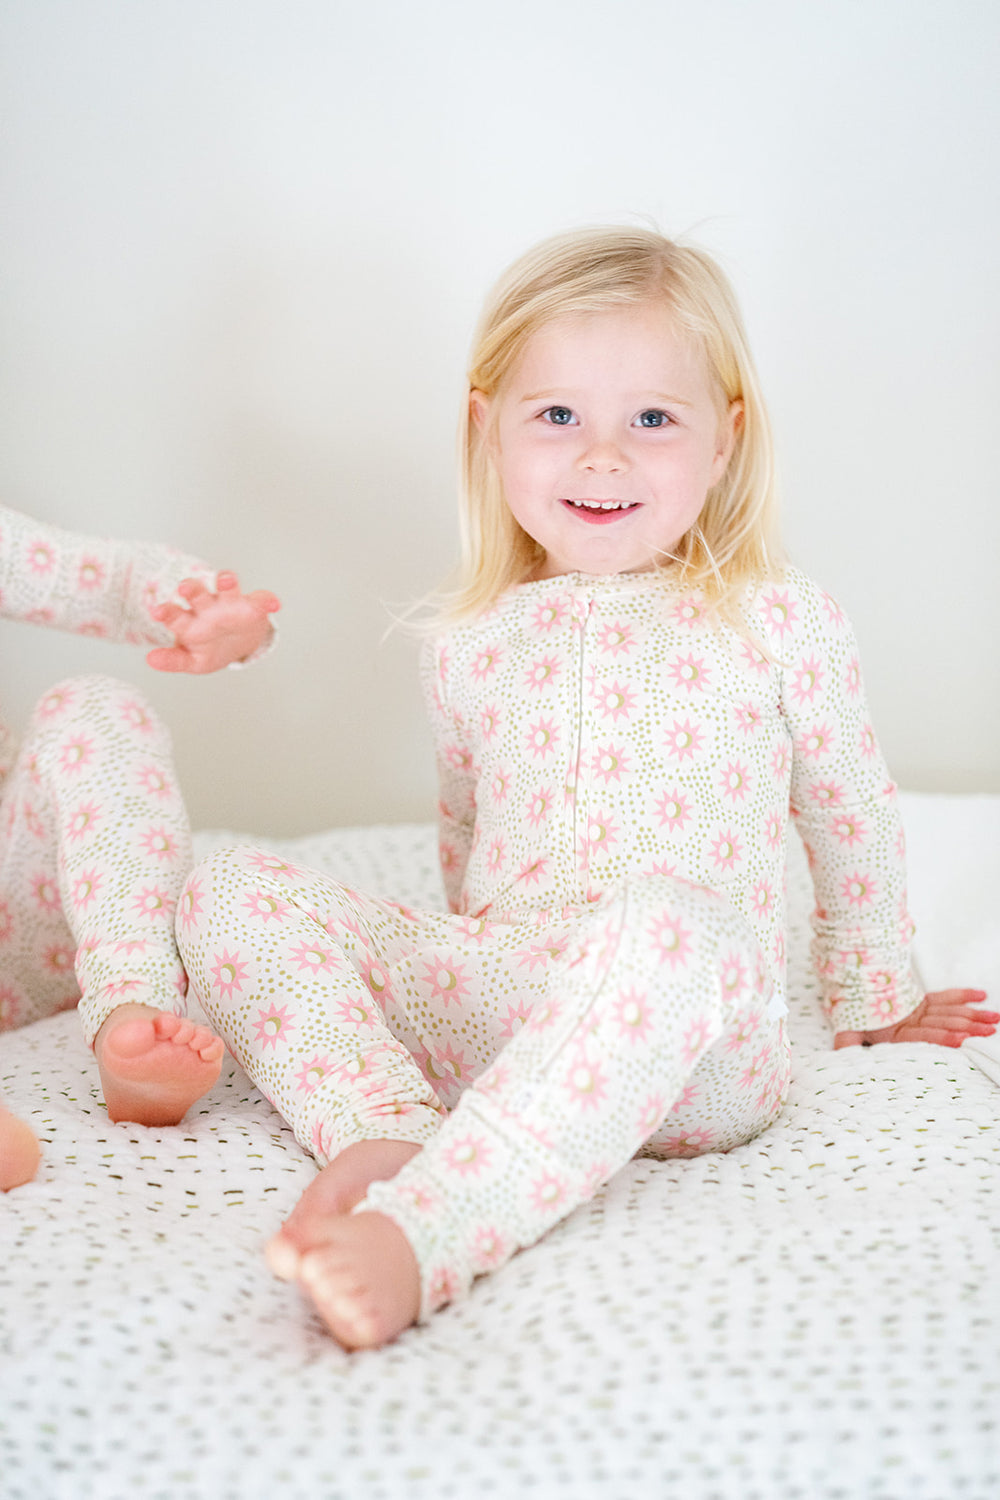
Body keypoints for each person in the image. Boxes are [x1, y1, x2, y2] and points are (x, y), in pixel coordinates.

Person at [176, 226, 996, 1348]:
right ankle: (384, 1128)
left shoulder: (777, 617)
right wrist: (459, 975)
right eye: (557, 415)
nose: (602, 457)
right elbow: (464, 836)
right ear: (487, 431)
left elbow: (848, 807)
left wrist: (874, 991)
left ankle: (432, 1228)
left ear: (724, 440)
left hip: (697, 1034)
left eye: (652, 419)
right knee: (225, 886)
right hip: (511, 1012)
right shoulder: (470, 643)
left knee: (664, 923)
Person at [0, 504, 280, 1190]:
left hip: (23, 925)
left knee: (97, 704)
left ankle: (132, 1009)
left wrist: (199, 608)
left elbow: (113, 579)